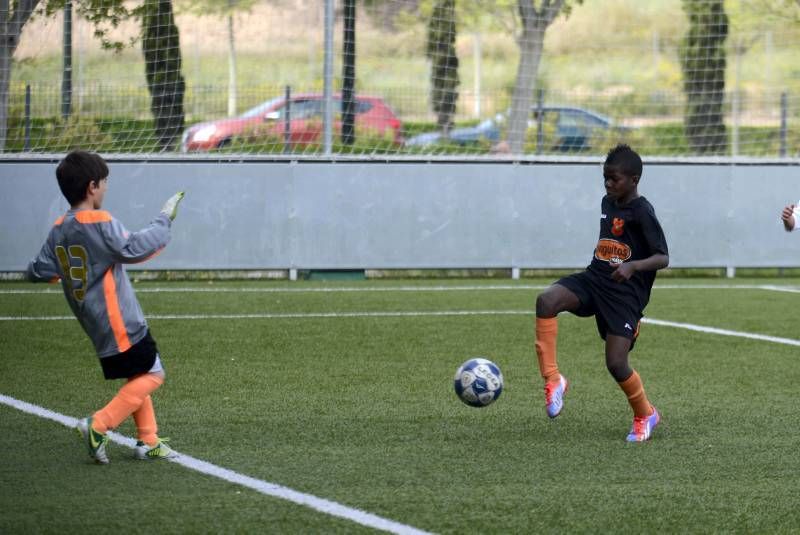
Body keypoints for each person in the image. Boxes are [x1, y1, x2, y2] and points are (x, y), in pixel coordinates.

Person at [26, 150, 185, 464]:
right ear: (91, 187)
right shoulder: (100, 220)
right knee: (153, 373)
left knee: (137, 371)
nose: (107, 188)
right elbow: (132, 248)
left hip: (95, 322)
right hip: (120, 320)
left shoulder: (60, 227)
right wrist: (164, 219)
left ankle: (148, 440)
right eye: (104, 182)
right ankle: (99, 424)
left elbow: (38, 270)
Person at [534, 144, 669, 442]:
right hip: (595, 279)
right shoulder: (607, 203)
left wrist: (633, 267)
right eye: (605, 177)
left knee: (616, 364)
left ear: (634, 180)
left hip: (624, 295)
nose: (608, 184)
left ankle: (645, 414)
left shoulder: (643, 211)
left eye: (614, 179)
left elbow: (663, 257)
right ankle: (554, 379)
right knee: (546, 301)